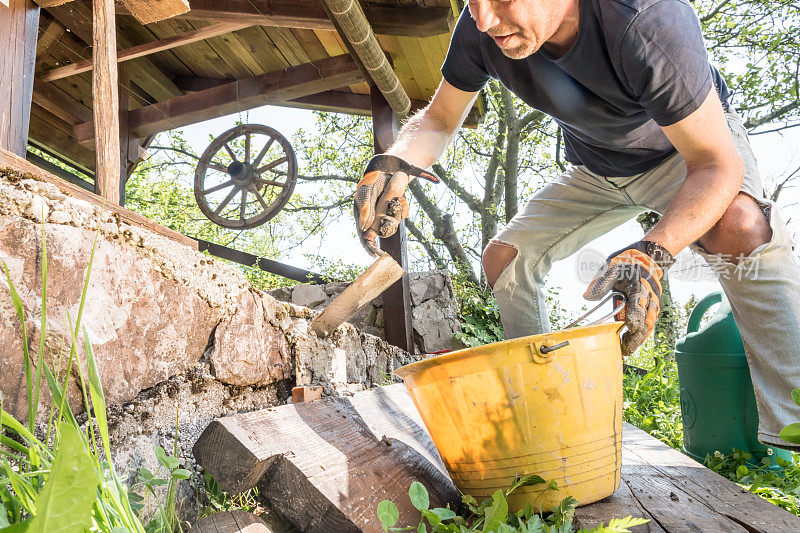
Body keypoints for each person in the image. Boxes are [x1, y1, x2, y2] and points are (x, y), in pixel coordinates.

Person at [352, 0, 800, 450]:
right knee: (506, 259)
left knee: (740, 226)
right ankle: (543, 423)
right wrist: (399, 161)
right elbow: (440, 117)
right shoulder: (481, 30)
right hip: (598, 169)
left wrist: (653, 254)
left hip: (687, 156)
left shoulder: (647, 22)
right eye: (473, 1)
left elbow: (716, 165)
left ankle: (793, 427)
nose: (486, 20)